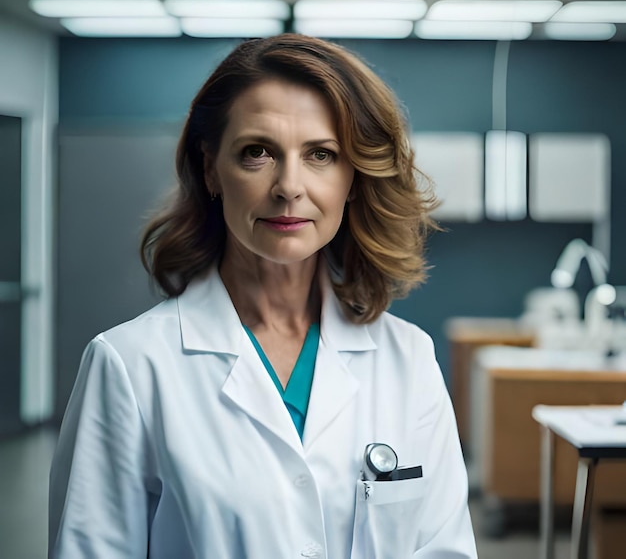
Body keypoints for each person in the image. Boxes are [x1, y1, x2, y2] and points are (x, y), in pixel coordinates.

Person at [49, 34, 477, 558]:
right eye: (258, 152)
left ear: (353, 178)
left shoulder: (406, 358)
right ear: (210, 168)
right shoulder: (131, 366)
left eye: (321, 154)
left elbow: (444, 549)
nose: (289, 186)